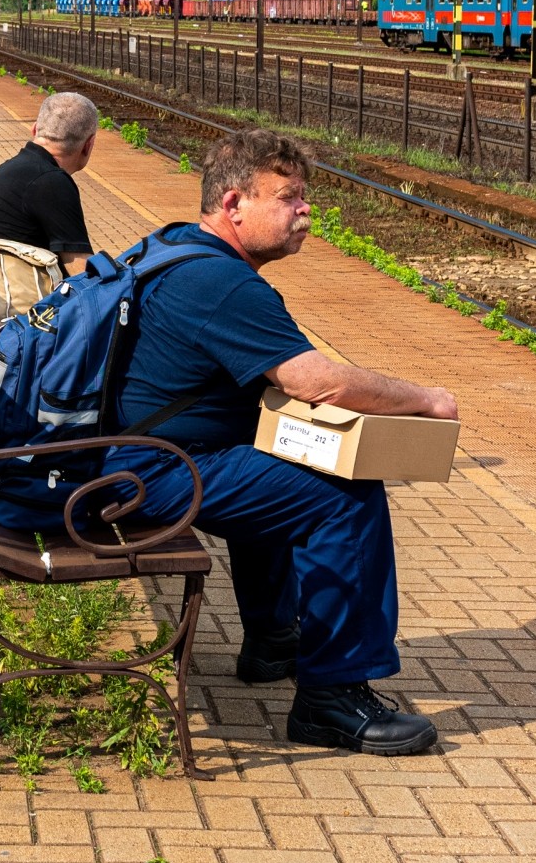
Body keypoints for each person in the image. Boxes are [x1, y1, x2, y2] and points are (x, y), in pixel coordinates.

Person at [107, 129, 457, 757]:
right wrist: (427, 399)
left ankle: (273, 640)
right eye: (288, 198)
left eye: (305, 197)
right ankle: (333, 698)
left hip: (128, 459)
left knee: (278, 463)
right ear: (234, 203)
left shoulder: (173, 245)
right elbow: (319, 382)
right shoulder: (225, 285)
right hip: (150, 473)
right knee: (344, 495)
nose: (305, 211)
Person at [0, 91, 97, 274]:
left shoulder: (21, 169)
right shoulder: (50, 182)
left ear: (34, 130)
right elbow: (82, 271)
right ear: (88, 145)